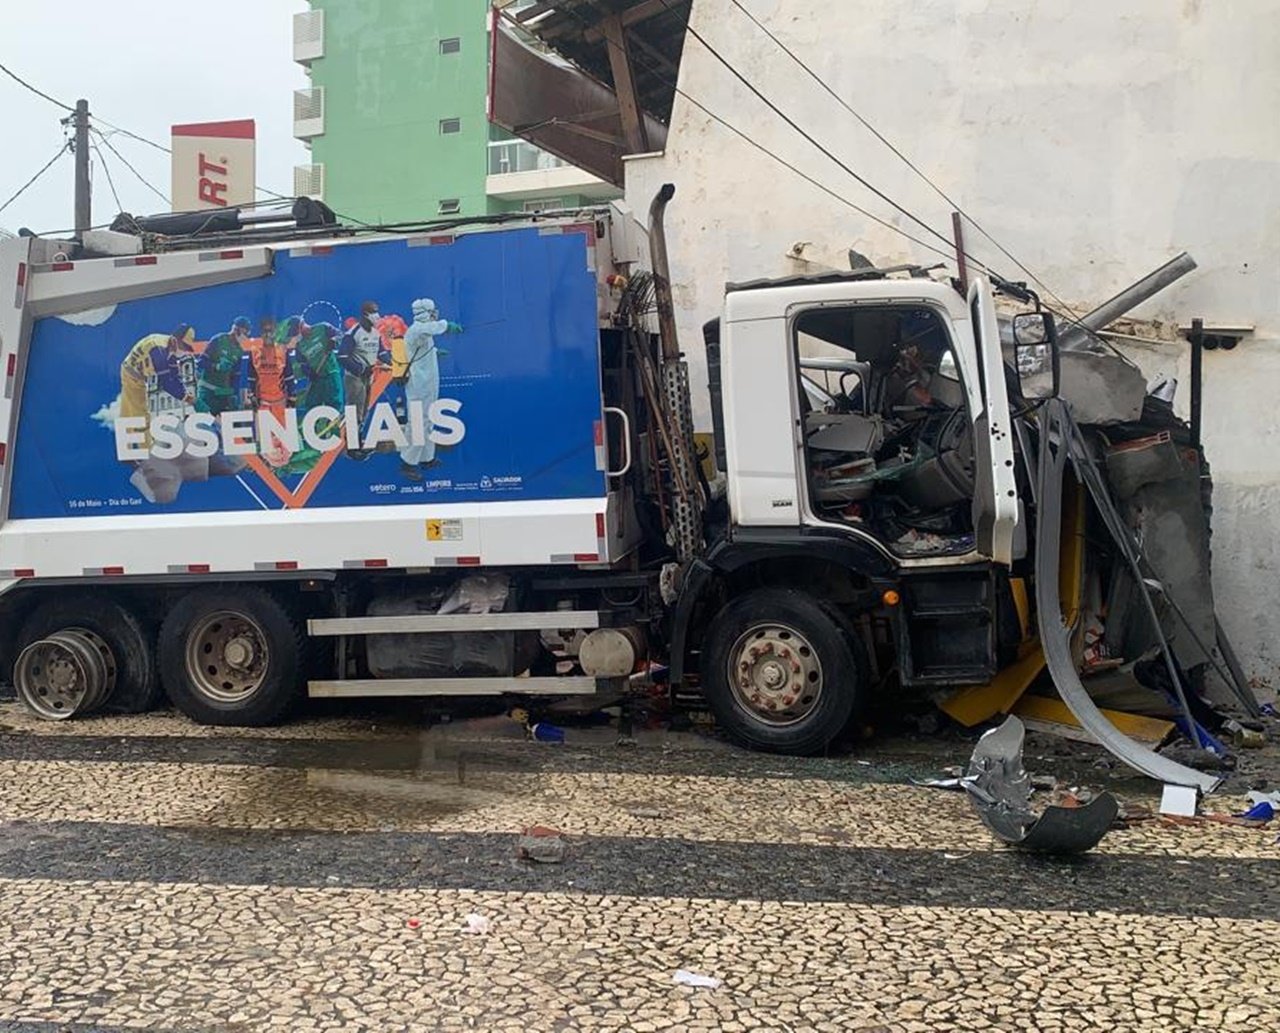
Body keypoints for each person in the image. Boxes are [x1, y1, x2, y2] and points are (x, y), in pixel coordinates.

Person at [398, 298, 462, 481]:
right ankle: (408, 463)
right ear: (426, 312)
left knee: (428, 419)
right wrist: (447, 325)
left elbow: (424, 344)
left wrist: (435, 352)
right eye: (433, 310)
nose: (435, 313)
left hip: (427, 383)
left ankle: (427, 458)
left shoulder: (423, 332)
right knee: (418, 421)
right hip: (418, 384)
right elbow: (434, 328)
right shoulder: (418, 328)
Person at [338, 300, 391, 459]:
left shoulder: (375, 333)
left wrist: (394, 362)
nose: (377, 316)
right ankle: (352, 448)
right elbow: (342, 356)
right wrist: (360, 369)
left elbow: (381, 353)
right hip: (354, 378)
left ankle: (358, 442)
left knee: (363, 412)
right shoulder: (354, 333)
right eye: (374, 312)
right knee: (354, 412)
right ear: (366, 314)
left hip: (369, 377)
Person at [120, 323, 196, 423]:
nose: (184, 351)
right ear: (174, 340)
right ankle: (134, 435)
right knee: (138, 414)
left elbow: (174, 376)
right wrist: (189, 398)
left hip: (141, 376)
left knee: (140, 413)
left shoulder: (170, 350)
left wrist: (187, 394)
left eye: (187, 349)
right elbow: (167, 383)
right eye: (183, 346)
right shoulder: (157, 348)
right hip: (131, 375)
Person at [195, 317, 252, 416]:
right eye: (245, 333)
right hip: (207, 390)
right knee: (207, 423)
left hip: (222, 392)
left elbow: (236, 377)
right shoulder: (218, 340)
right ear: (236, 329)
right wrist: (216, 366)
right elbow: (201, 362)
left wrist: (234, 395)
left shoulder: (239, 351)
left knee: (225, 424)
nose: (245, 337)